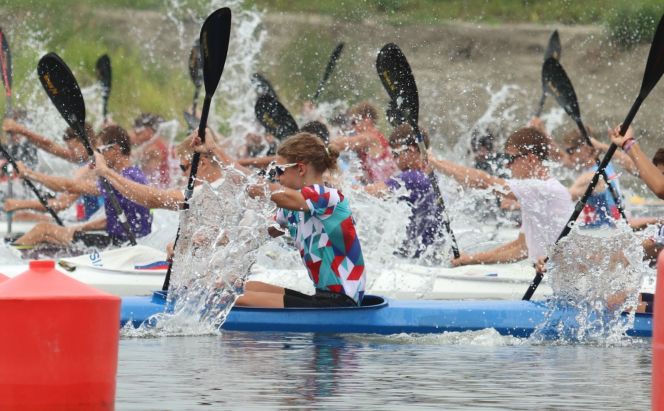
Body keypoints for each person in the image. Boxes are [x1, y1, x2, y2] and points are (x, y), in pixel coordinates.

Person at [239, 132, 366, 308]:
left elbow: (272, 192)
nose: (277, 176)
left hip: (342, 302)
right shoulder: (291, 209)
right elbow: (256, 237)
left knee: (237, 301)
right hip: (323, 296)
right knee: (239, 288)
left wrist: (218, 155)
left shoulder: (329, 197)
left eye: (280, 170)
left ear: (300, 168)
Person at [429, 127, 574, 266]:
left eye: (511, 158)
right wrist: (470, 259)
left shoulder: (544, 189)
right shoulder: (535, 195)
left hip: (561, 282)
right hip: (550, 276)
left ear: (531, 159)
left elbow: (484, 181)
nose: (507, 165)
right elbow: (521, 248)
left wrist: (436, 163)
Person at [13, 125, 152, 248]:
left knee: (42, 230)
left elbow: (71, 186)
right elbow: (116, 220)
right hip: (127, 242)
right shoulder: (133, 174)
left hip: (120, 246)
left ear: (115, 150)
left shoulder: (121, 179)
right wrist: (79, 228)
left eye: (99, 151)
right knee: (48, 237)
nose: (97, 156)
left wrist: (29, 174)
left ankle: (8, 263)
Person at [364, 124, 445, 258]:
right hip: (434, 252)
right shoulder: (433, 174)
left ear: (412, 150)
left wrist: (339, 187)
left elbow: (370, 192)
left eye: (396, 154)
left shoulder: (412, 177)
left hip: (418, 258)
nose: (394, 160)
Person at [564, 127, 624, 227]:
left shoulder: (591, 176)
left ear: (586, 148)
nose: (568, 155)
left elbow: (565, 197)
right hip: (612, 223)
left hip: (606, 229)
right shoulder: (606, 165)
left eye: (570, 150)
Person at [328, 102, 396, 184]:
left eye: (354, 122)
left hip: (384, 189)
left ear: (367, 120)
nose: (352, 127)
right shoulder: (372, 139)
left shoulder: (371, 138)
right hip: (381, 186)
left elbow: (339, 144)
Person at [2, 119, 95, 164]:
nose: (70, 153)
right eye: (69, 149)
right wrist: (21, 130)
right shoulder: (77, 157)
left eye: (73, 148)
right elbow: (49, 145)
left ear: (87, 142)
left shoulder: (101, 159)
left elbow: (70, 186)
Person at [130, 113, 174, 188]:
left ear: (148, 131)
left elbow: (126, 158)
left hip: (159, 189)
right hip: (165, 186)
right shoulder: (163, 143)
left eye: (138, 133)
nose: (136, 136)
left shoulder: (153, 147)